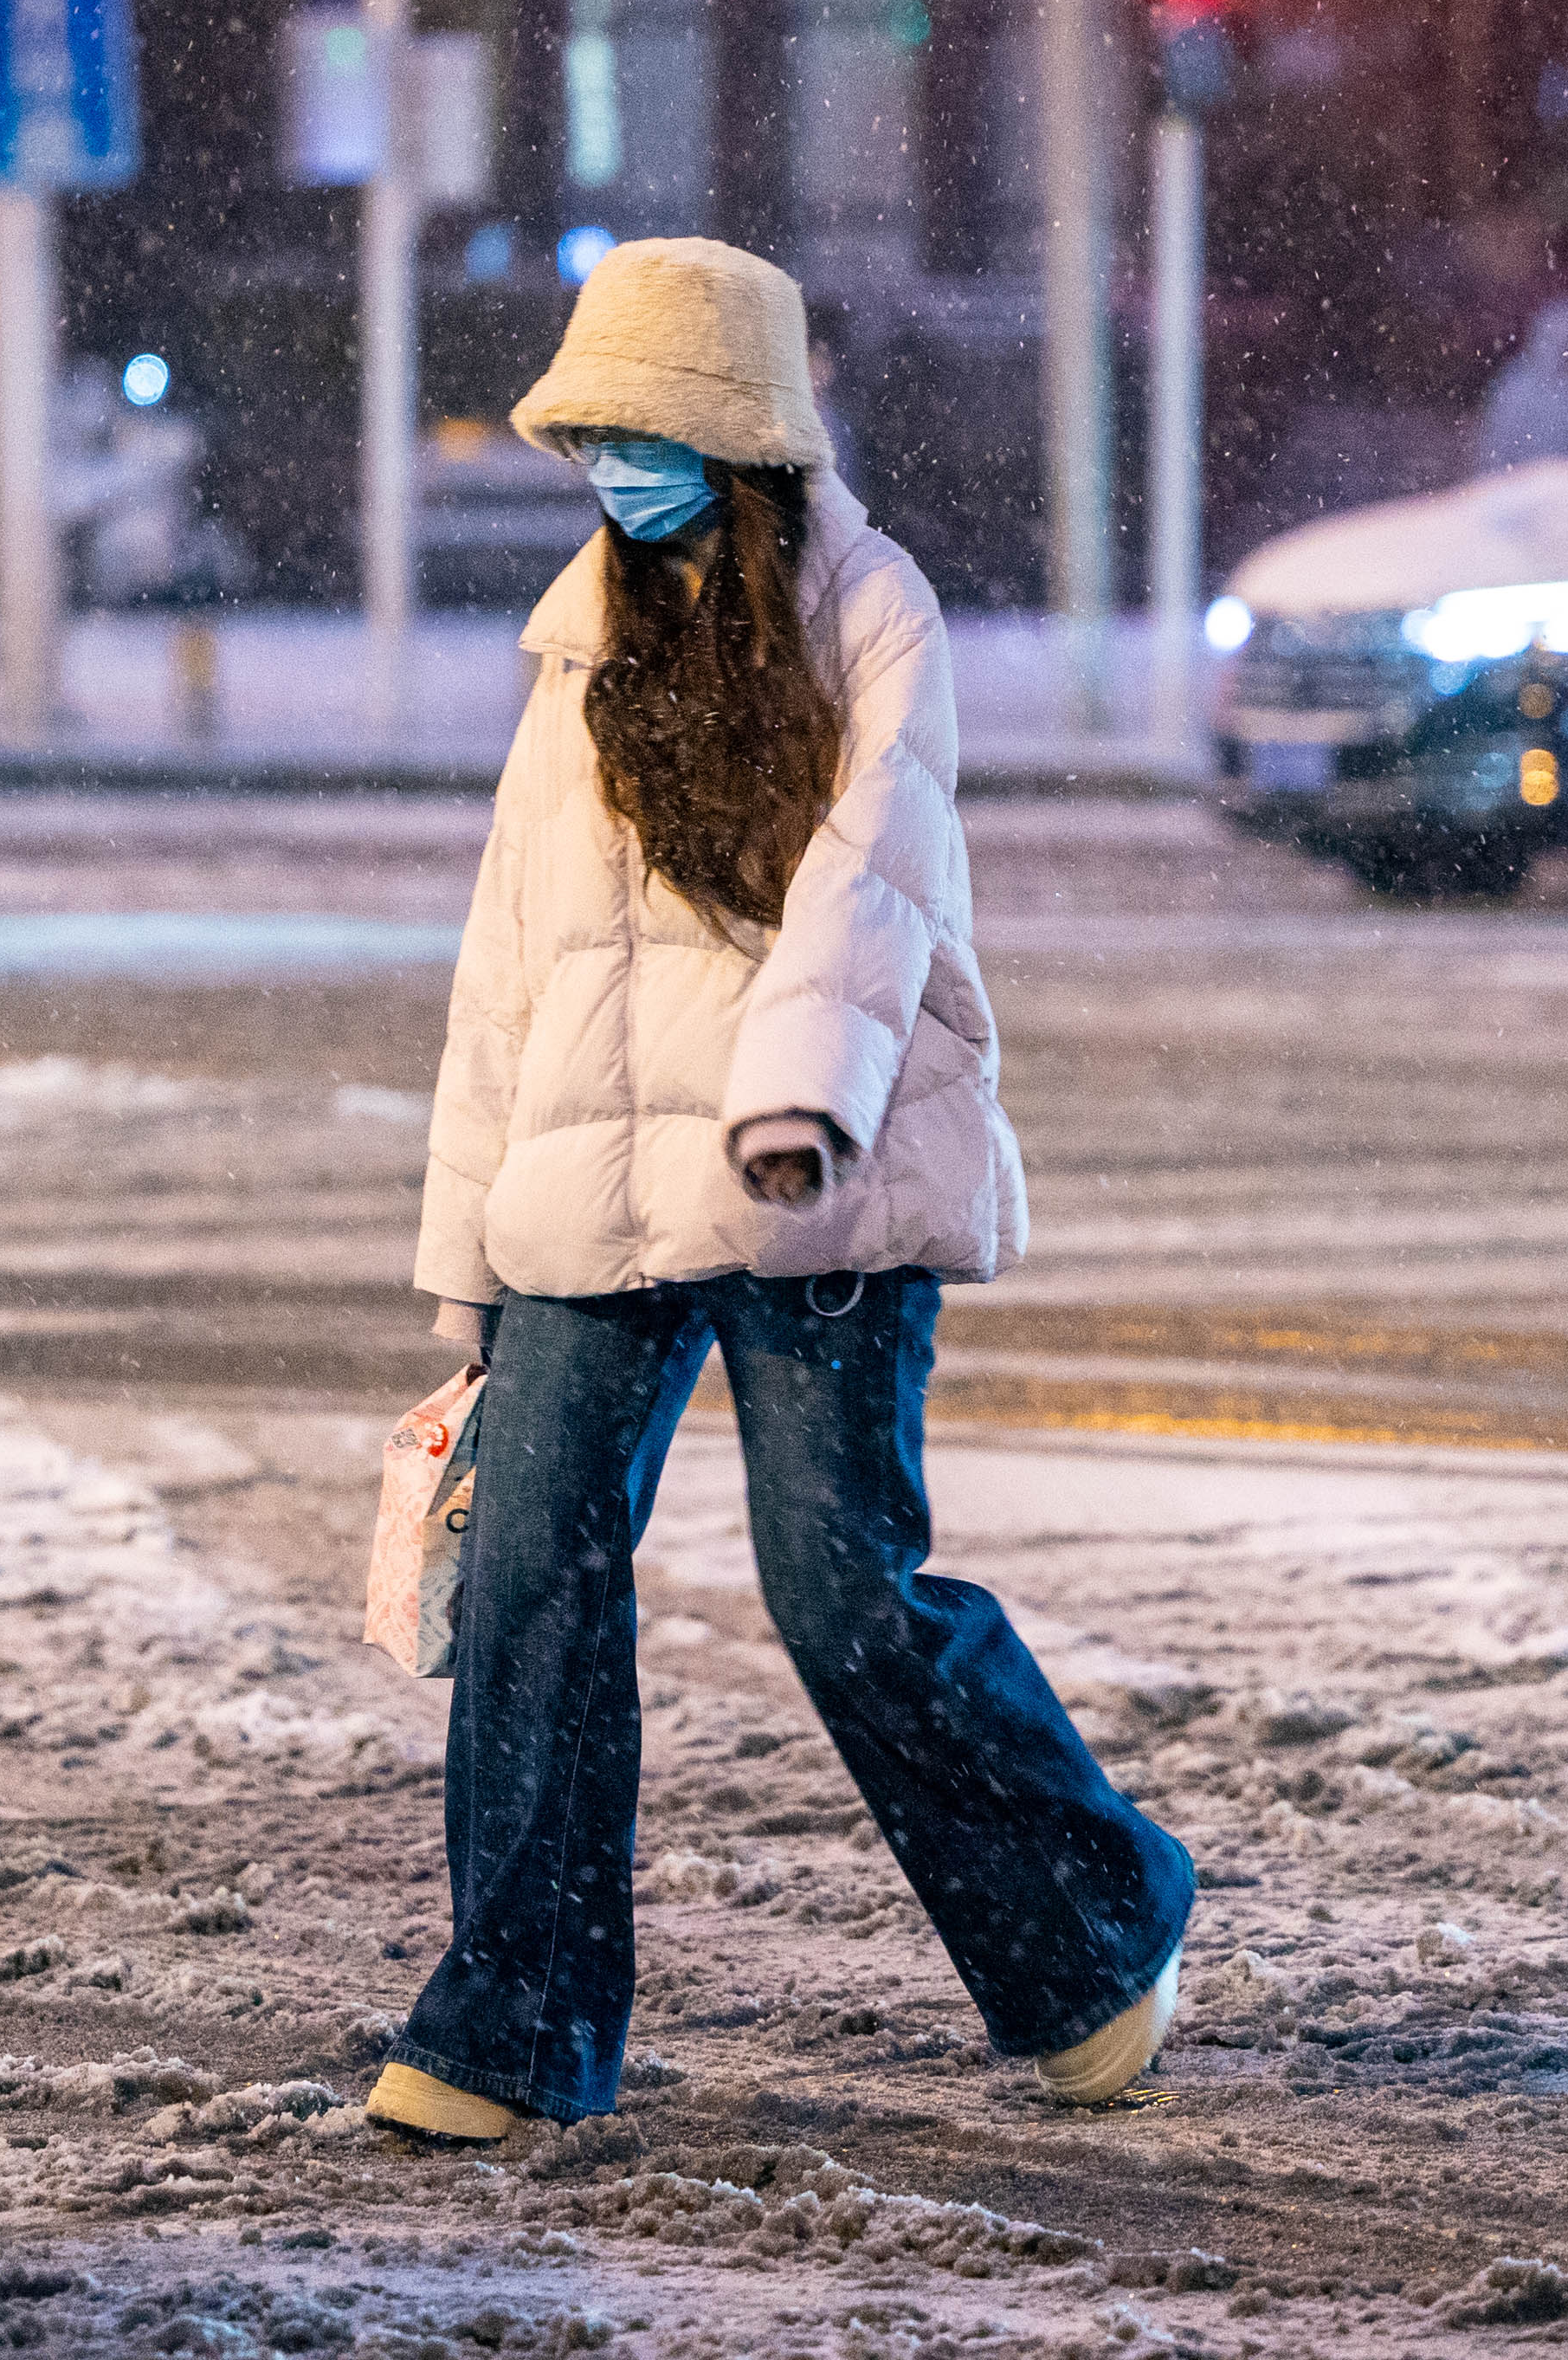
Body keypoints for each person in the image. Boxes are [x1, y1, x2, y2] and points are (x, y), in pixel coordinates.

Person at [368, 235, 1195, 2145]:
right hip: (588, 1189)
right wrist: (463, 1251)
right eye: (586, 434)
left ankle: (1092, 1927)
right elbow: (511, 958)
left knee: (841, 1598)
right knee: (530, 1583)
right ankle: (514, 2028)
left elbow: (877, 877)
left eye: (639, 429)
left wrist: (796, 1104)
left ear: (736, 433)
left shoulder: (871, 611)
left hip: (816, 1175)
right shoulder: (577, 643)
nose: (608, 466)